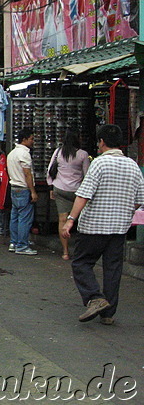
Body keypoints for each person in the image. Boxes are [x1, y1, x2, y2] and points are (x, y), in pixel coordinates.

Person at [62, 124, 144, 324]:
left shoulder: (99, 163)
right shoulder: (132, 165)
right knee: (113, 268)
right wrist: (123, 210)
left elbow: (84, 195)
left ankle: (94, 297)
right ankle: (108, 314)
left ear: (102, 142)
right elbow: (139, 198)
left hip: (94, 226)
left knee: (81, 262)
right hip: (119, 228)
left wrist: (70, 220)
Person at [46, 130, 90, 260]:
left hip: (60, 189)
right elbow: (87, 175)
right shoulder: (83, 154)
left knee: (62, 220)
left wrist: (50, 187)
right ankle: (80, 250)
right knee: (81, 221)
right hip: (78, 192)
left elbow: (50, 170)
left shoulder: (59, 152)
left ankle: (65, 252)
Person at [7, 128, 38, 255]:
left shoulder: (12, 153)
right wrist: (33, 191)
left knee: (15, 217)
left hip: (14, 187)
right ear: (24, 139)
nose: (33, 141)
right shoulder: (24, 154)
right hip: (23, 188)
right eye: (31, 139)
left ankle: (14, 242)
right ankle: (22, 245)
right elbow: (27, 174)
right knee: (25, 218)